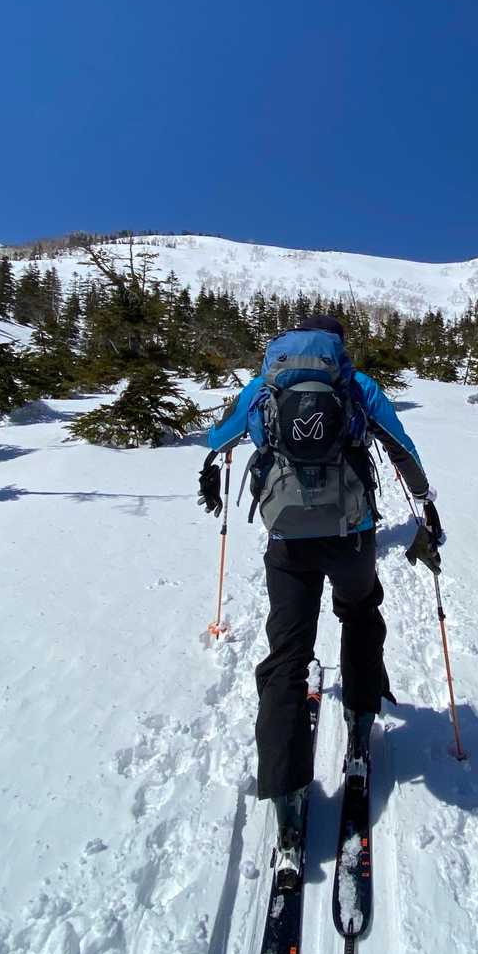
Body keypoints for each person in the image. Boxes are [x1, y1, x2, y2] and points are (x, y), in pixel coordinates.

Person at [196, 313, 443, 885]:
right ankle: (359, 719)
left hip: (288, 540)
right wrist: (425, 500)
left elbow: (219, 437)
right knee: (360, 615)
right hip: (352, 534)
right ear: (338, 344)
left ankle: (287, 803)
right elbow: (400, 447)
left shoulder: (265, 385)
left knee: (287, 655)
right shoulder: (356, 384)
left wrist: (220, 454)